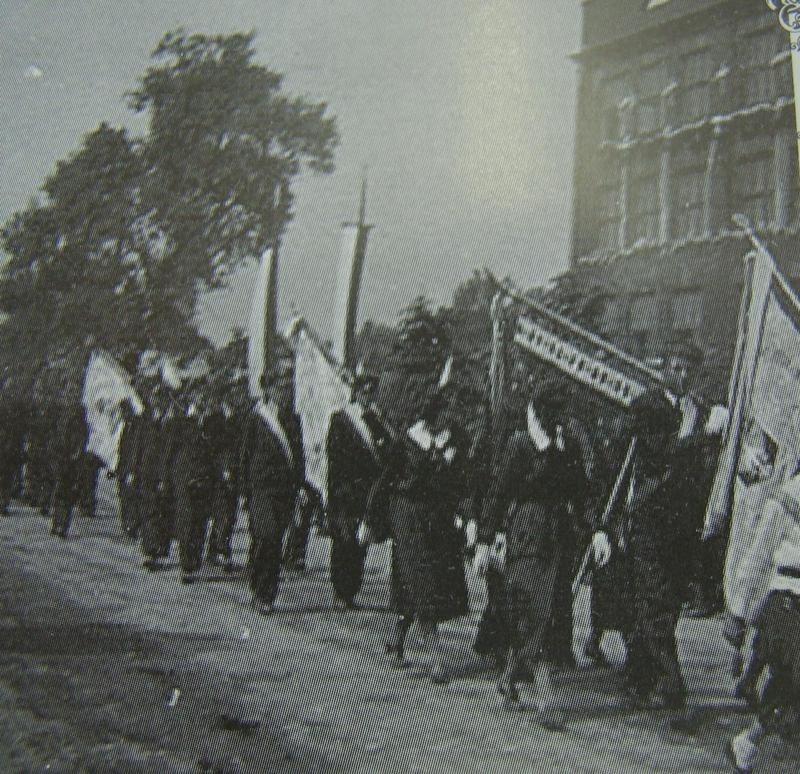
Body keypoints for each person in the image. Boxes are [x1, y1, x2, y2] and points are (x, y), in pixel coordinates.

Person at [476, 380, 588, 730]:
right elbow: (498, 492)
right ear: (542, 413)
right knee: (531, 609)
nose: (562, 421)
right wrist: (484, 538)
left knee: (546, 611)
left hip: (557, 536)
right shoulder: (521, 445)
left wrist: (598, 530)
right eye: (556, 414)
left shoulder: (565, 445)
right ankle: (546, 698)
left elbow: (581, 491)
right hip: (526, 532)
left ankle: (509, 678)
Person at [592, 389, 702, 711]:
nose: (640, 436)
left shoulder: (674, 466)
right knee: (634, 619)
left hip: (659, 559)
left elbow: (676, 521)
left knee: (654, 622)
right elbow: (612, 495)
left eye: (646, 429)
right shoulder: (634, 457)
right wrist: (604, 528)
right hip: (632, 553)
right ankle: (640, 681)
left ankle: (672, 687)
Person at [361, 389, 469, 684]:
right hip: (406, 514)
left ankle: (396, 640)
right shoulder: (408, 441)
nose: (453, 416)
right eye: (448, 410)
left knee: (420, 579)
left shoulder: (456, 440)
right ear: (435, 411)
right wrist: (370, 521)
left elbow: (461, 482)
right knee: (421, 579)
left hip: (437, 518)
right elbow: (384, 481)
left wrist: (463, 514)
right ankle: (435, 657)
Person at [727, 529, 800, 773]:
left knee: (788, 686)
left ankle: (748, 741)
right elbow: (758, 551)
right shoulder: (787, 495)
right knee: (791, 680)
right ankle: (749, 741)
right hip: (787, 600)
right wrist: (738, 611)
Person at [239, 360, 306, 615]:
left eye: (288, 387)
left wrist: (300, 487)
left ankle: (267, 594)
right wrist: (244, 491)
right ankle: (258, 587)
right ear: (269, 389)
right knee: (264, 536)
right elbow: (245, 455)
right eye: (280, 387)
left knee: (275, 541)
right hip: (261, 489)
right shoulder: (256, 419)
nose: (284, 392)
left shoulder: (293, 420)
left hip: (284, 490)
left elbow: (298, 456)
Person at [326, 372, 388, 610]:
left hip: (366, 493)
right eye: (364, 391)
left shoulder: (375, 421)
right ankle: (340, 591)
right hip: (345, 491)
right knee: (344, 541)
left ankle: (351, 590)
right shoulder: (341, 419)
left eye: (372, 392)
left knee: (360, 543)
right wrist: (334, 494)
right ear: (356, 393)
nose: (368, 396)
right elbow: (334, 459)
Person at [172, 391, 218, 585]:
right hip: (185, 477)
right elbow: (171, 449)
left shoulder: (213, 422)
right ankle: (186, 564)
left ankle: (195, 559)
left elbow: (217, 449)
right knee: (187, 519)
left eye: (204, 398)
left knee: (200, 520)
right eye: (199, 397)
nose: (202, 401)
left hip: (205, 477)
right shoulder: (182, 422)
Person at [138, 384, 177, 572]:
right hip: (145, 472)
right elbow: (138, 446)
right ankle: (150, 551)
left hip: (162, 474)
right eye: (155, 398)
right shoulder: (145, 420)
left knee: (161, 512)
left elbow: (169, 453)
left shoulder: (170, 424)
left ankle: (158, 550)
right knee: (148, 510)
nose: (157, 402)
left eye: (161, 399)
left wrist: (164, 477)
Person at [206, 398, 243, 572]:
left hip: (234, 473)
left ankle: (215, 549)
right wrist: (222, 468)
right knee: (223, 514)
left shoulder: (241, 419)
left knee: (229, 514)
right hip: (218, 474)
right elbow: (212, 448)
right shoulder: (215, 420)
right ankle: (221, 550)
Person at [48, 395, 89, 538]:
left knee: (66, 493)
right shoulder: (62, 414)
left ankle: (63, 525)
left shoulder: (79, 418)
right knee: (59, 491)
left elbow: (83, 438)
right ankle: (56, 522)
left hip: (71, 461)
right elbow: (55, 434)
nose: (69, 399)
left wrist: (76, 453)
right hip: (61, 457)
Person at [116, 399, 143, 539]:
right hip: (123, 467)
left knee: (130, 497)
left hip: (131, 467)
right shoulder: (127, 426)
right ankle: (127, 524)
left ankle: (131, 525)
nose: (122, 414)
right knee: (123, 495)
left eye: (124, 411)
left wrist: (132, 470)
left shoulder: (136, 426)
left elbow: (135, 450)